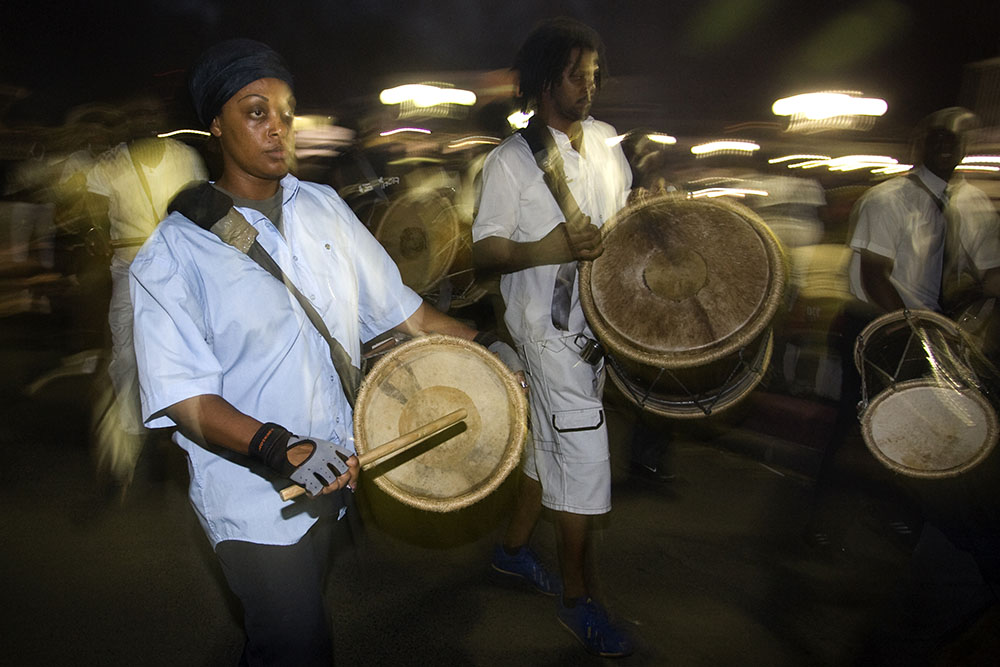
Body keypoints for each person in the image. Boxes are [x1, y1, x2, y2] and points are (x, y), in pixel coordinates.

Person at [129, 39, 519, 665]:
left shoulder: (327, 209)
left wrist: (491, 348)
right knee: (298, 643)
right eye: (256, 112)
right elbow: (185, 399)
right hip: (254, 496)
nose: (277, 128)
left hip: (337, 474)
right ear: (215, 126)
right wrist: (280, 448)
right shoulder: (174, 254)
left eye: (286, 113)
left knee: (283, 637)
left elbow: (408, 315)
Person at [471, 18, 634, 658]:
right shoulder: (510, 161)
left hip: (598, 334)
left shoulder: (606, 145)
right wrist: (545, 248)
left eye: (593, 75)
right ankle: (578, 599)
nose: (589, 86)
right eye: (576, 74)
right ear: (545, 81)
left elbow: (620, 224)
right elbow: (485, 252)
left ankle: (511, 552)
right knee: (586, 467)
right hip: (544, 335)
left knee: (547, 454)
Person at [85, 131, 207, 488]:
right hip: (129, 268)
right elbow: (93, 198)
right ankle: (128, 438)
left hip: (176, 268)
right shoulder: (112, 161)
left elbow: (200, 201)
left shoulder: (184, 156)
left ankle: (188, 429)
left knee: (187, 347)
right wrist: (95, 227)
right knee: (125, 354)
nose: (142, 124)